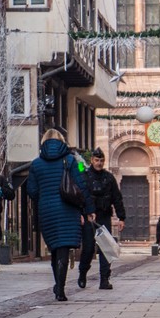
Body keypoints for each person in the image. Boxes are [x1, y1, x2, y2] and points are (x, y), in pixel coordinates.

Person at [27, 129, 94, 301]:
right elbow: (81, 186)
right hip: (68, 208)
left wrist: (45, 197)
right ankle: (60, 289)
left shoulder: (35, 164)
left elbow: (32, 191)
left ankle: (58, 284)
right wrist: (87, 209)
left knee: (55, 248)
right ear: (62, 141)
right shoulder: (71, 160)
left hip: (46, 209)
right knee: (63, 247)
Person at [77, 147, 125, 290]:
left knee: (106, 249)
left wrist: (121, 217)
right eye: (97, 160)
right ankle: (82, 273)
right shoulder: (84, 176)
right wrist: (80, 214)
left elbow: (117, 198)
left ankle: (104, 279)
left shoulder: (109, 178)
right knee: (88, 249)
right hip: (89, 217)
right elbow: (79, 197)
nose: (99, 163)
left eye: (101, 160)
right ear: (92, 160)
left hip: (104, 216)